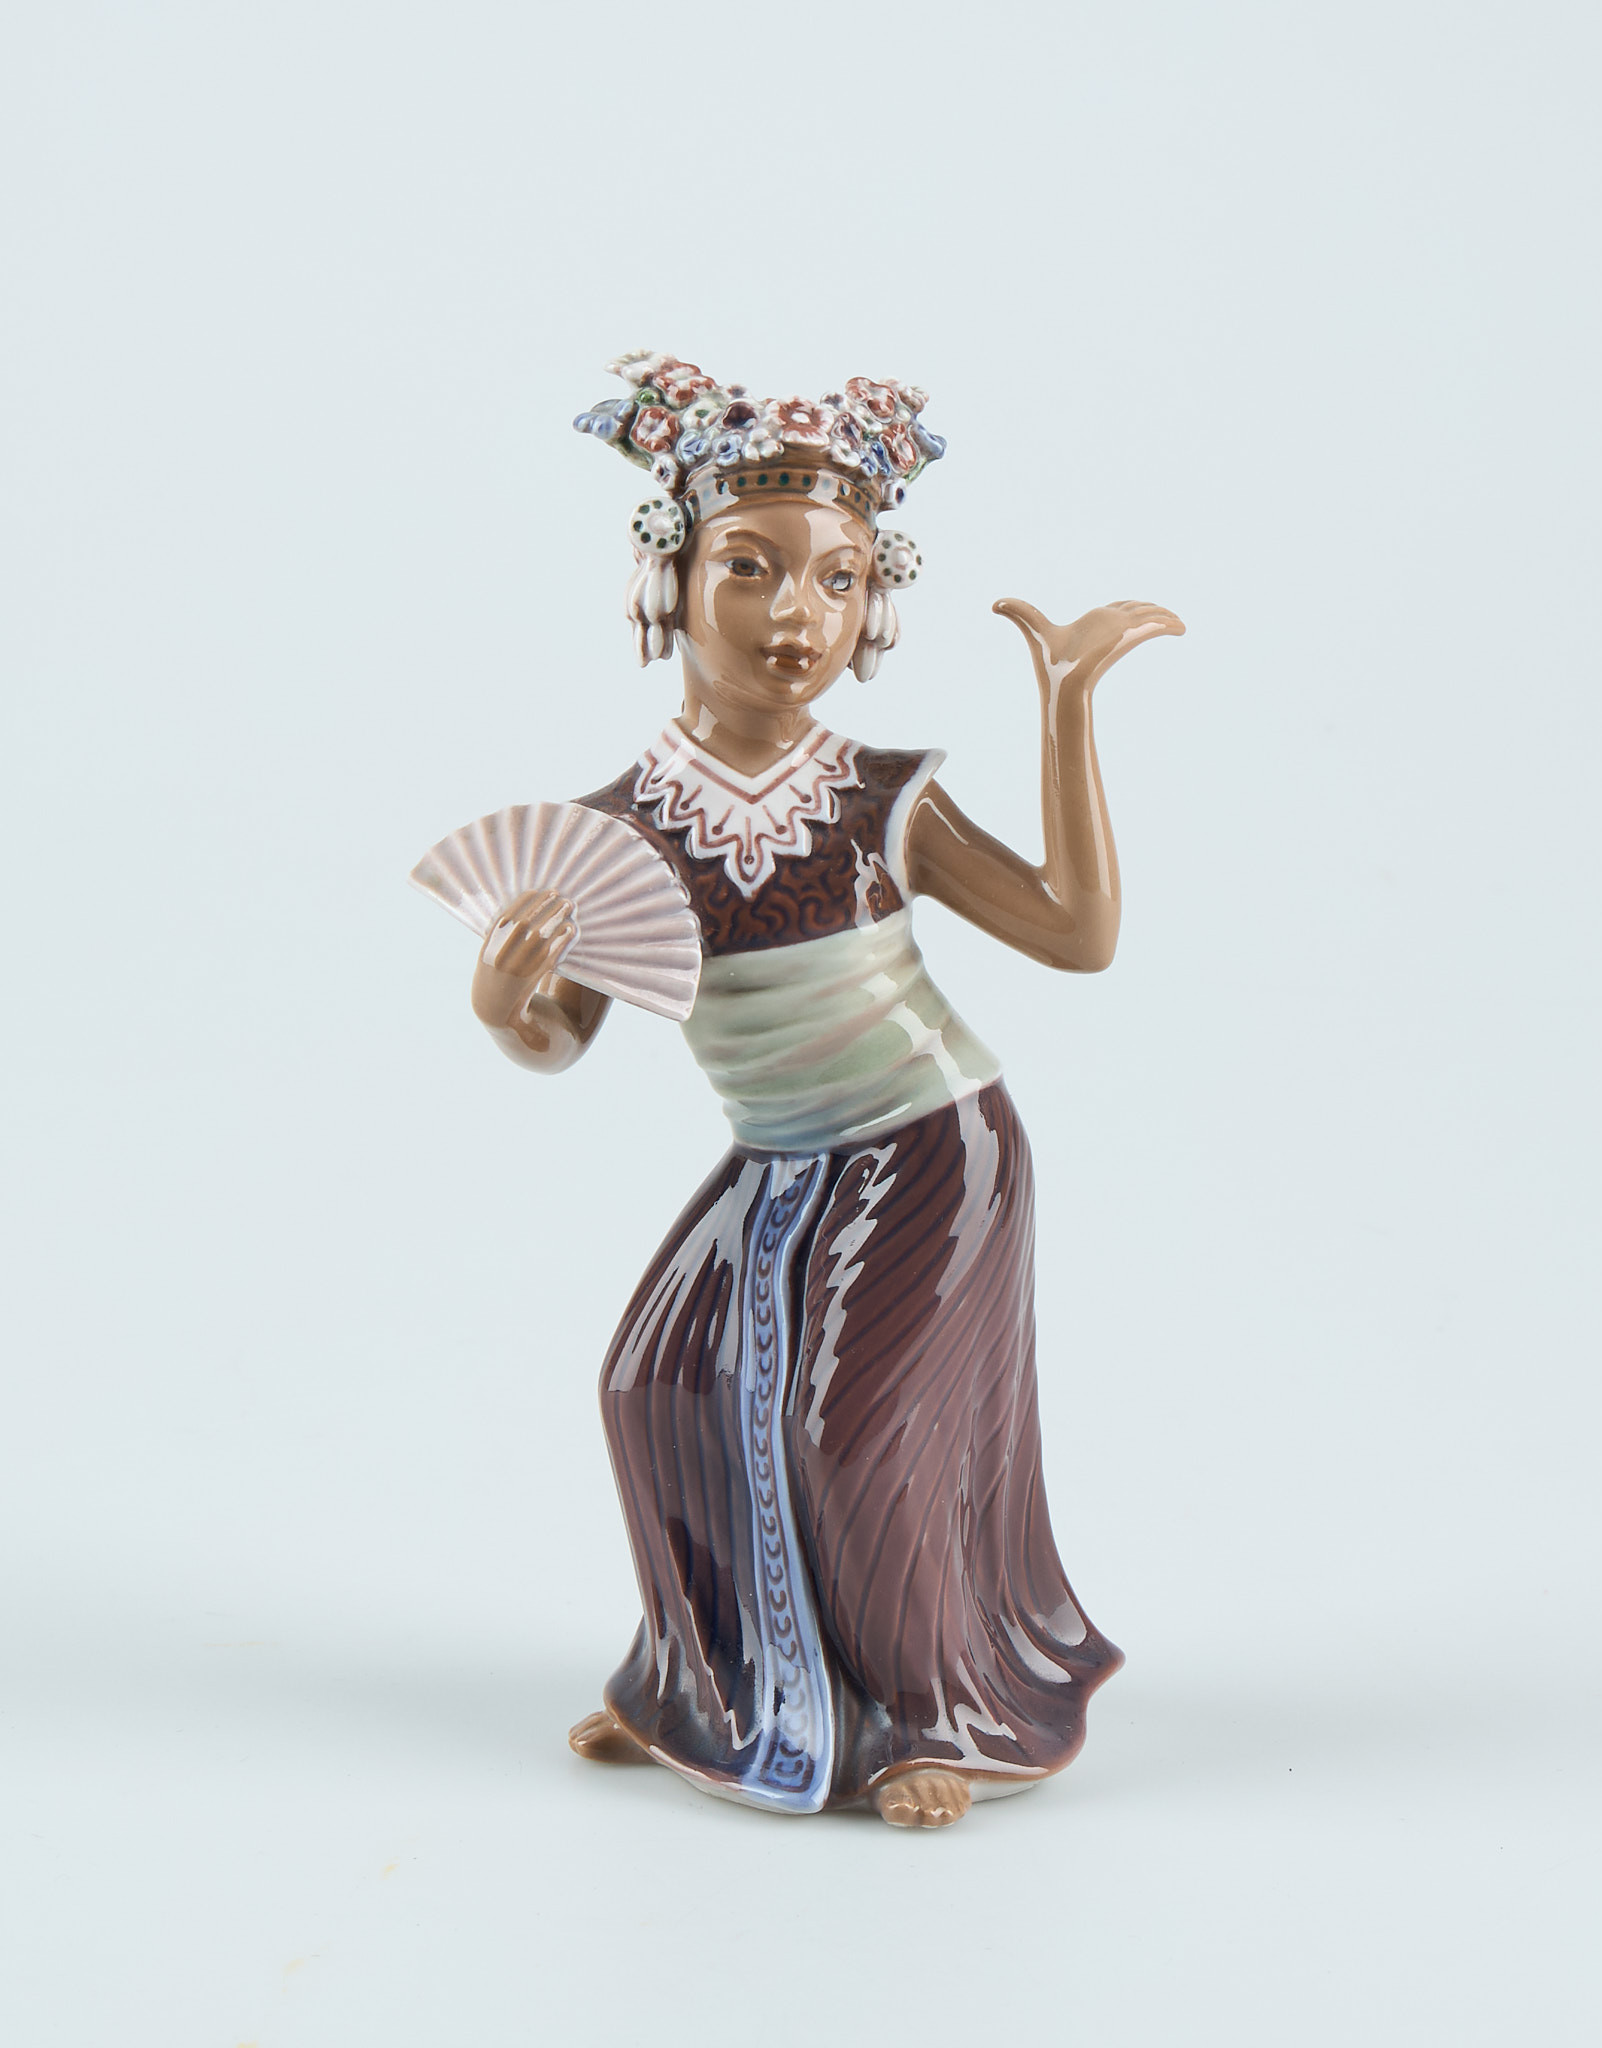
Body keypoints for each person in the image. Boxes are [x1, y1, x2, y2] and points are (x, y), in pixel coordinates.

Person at [468, 355, 1182, 1826]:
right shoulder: (618, 833)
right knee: (653, 1386)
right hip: (778, 1159)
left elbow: (1077, 933)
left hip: (935, 1145)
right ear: (670, 579)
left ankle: (932, 1713)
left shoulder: (878, 796)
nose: (799, 614)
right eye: (751, 567)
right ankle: (705, 1688)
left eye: (839, 578)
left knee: (853, 1426)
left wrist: (1065, 707)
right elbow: (560, 1040)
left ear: (875, 605)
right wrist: (504, 1003)